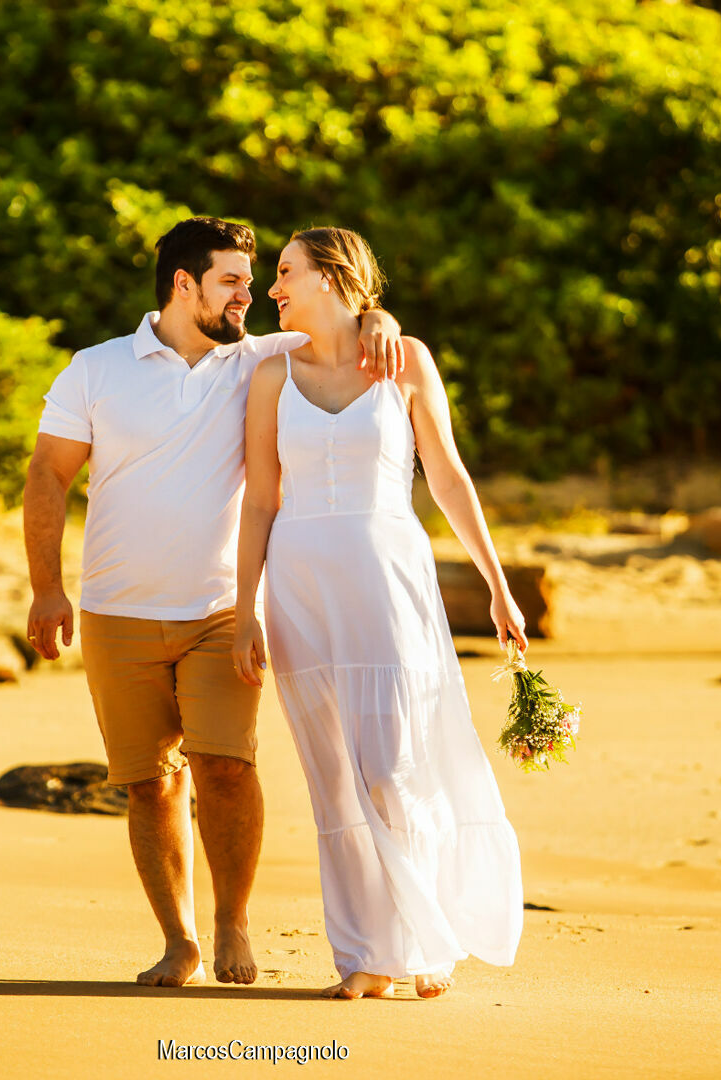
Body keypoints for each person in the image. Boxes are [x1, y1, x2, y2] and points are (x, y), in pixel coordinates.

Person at [23, 217, 403, 988]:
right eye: (231, 281)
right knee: (148, 782)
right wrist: (45, 588)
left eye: (254, 280)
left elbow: (344, 323)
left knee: (225, 767)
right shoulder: (95, 369)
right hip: (113, 612)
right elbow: (46, 478)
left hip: (222, 613)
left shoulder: (263, 359)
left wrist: (380, 318)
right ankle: (179, 940)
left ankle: (233, 925)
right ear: (182, 283)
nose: (250, 296)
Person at [232, 226, 528, 1000]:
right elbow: (260, 501)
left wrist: (497, 585)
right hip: (298, 584)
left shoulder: (403, 360)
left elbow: (449, 478)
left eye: (287, 273)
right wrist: (242, 611)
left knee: (394, 770)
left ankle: (422, 940)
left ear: (330, 277)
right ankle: (367, 956)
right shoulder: (269, 373)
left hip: (387, 578)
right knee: (333, 780)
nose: (273, 289)